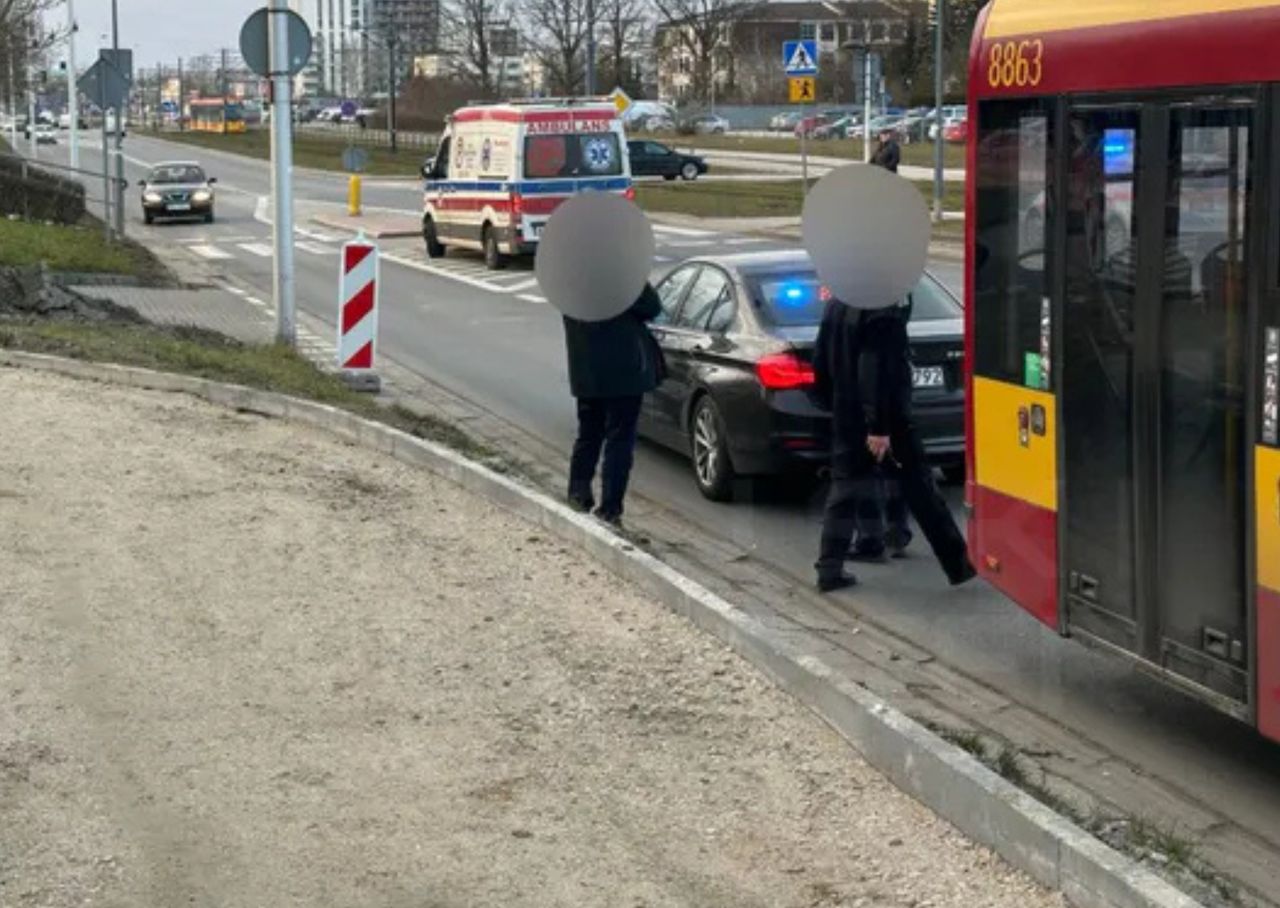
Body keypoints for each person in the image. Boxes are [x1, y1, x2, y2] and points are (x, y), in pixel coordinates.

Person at [812, 298, 975, 592]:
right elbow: (875, 369)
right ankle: (958, 563)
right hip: (887, 420)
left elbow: (820, 361)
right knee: (920, 488)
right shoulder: (882, 310)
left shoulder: (837, 303)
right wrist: (878, 426)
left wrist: (834, 404)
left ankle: (829, 568)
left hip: (847, 413)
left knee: (844, 490)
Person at [563, 283, 664, 527]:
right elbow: (652, 307)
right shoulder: (622, 274)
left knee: (588, 433)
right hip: (625, 371)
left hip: (586, 370)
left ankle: (578, 494)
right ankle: (610, 509)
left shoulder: (568, 278)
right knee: (620, 440)